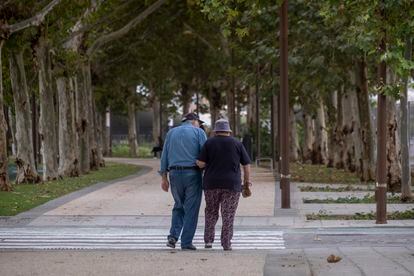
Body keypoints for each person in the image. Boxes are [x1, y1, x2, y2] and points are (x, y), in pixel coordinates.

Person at [196, 118, 251, 250]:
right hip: (232, 185)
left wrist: (198, 162)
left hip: (211, 184)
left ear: (216, 131)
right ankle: (226, 243)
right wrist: (246, 182)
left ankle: (208, 241)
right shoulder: (237, 143)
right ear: (228, 131)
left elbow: (201, 163)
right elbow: (246, 165)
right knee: (228, 214)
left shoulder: (209, 143)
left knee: (211, 212)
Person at [159, 112, 207, 250]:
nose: (200, 125)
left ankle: (173, 237)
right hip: (192, 173)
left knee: (178, 205)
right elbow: (205, 154)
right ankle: (186, 242)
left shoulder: (171, 133)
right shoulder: (199, 132)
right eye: (199, 122)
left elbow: (164, 155)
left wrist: (164, 177)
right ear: (194, 121)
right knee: (191, 208)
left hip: (174, 173)